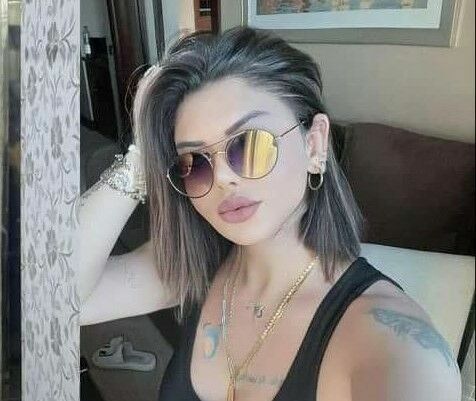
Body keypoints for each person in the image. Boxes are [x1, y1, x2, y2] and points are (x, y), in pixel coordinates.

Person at [79, 26, 461, 401]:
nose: (223, 178)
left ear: (314, 145)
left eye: (248, 145)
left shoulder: (391, 344)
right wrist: (139, 160)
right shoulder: (196, 267)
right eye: (194, 162)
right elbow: (63, 299)